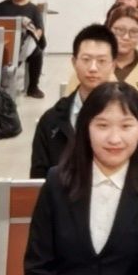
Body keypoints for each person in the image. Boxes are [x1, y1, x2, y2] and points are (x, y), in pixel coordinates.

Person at [24, 82, 138, 275]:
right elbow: (38, 267)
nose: (114, 139)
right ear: (86, 126)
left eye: (126, 126)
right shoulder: (57, 182)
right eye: (102, 125)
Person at [32, 25, 117, 179]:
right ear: (74, 62)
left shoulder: (128, 119)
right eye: (86, 60)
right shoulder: (51, 121)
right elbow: (38, 181)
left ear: (113, 65)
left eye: (101, 61)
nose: (93, 68)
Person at [0, 0, 46, 99]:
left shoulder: (33, 9)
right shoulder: (1, 6)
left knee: (37, 53)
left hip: (26, 42)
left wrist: (34, 36)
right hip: (5, 41)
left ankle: (33, 87)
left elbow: (39, 29)